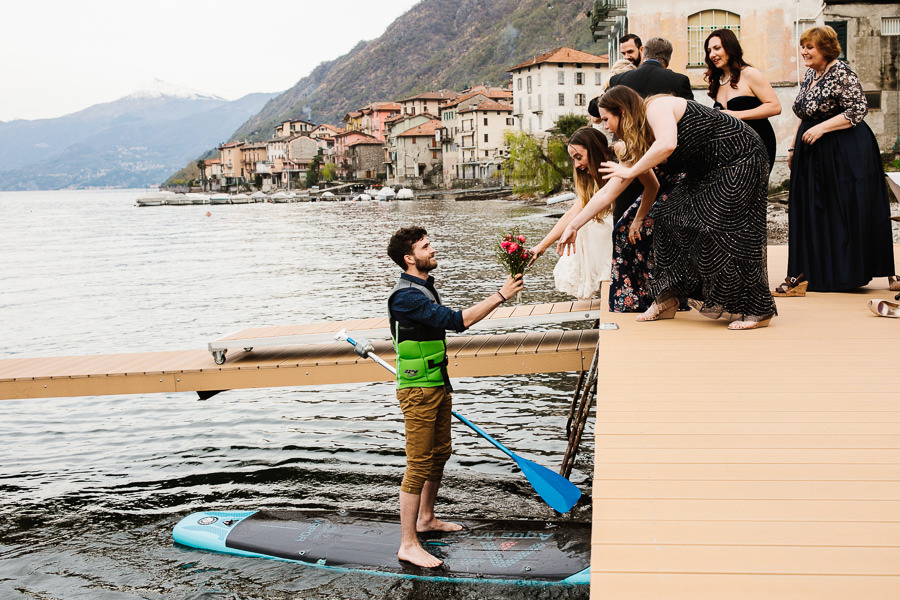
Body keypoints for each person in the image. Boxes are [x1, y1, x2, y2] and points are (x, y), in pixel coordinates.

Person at [559, 85, 777, 330]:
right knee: (664, 217)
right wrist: (574, 225)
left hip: (740, 154)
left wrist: (631, 170)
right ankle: (667, 298)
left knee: (725, 228)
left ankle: (759, 309)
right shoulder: (635, 140)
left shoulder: (655, 107)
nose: (606, 126)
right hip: (706, 168)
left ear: (621, 111)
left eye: (607, 119)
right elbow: (609, 192)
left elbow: (667, 144)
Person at [386, 227, 523, 568]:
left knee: (440, 453)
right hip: (417, 389)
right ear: (409, 258)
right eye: (425, 246)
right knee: (418, 464)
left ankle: (426, 518)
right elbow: (456, 322)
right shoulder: (406, 296)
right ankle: (407, 543)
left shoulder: (424, 287)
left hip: (437, 383)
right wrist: (501, 296)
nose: (432, 250)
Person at [780, 25, 898, 294]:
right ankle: (816, 272)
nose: (804, 51)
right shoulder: (811, 73)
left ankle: (846, 273)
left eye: (810, 47)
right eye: (803, 46)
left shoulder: (841, 71)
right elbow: (804, 112)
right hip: (812, 151)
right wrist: (792, 147)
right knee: (813, 210)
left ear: (826, 49)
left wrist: (822, 128)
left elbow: (858, 109)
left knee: (842, 208)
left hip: (843, 151)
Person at [528, 127, 658, 300]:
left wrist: (574, 226)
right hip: (624, 233)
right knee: (587, 224)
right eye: (573, 159)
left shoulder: (620, 155)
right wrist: (541, 246)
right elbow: (573, 213)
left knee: (593, 226)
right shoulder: (592, 178)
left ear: (594, 149)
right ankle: (607, 287)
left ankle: (608, 286)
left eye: (579, 157)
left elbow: (652, 185)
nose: (576, 165)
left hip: (643, 224)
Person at [704, 28, 781, 172]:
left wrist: (737, 115)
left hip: (757, 144)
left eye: (717, 48)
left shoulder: (749, 74)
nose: (712, 54)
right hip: (731, 150)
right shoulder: (718, 82)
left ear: (730, 47)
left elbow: (775, 107)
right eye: (709, 51)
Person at [608, 37, 693, 100]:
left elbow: (596, 108)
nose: (626, 57)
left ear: (643, 53)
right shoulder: (679, 81)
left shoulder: (617, 80)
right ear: (668, 60)